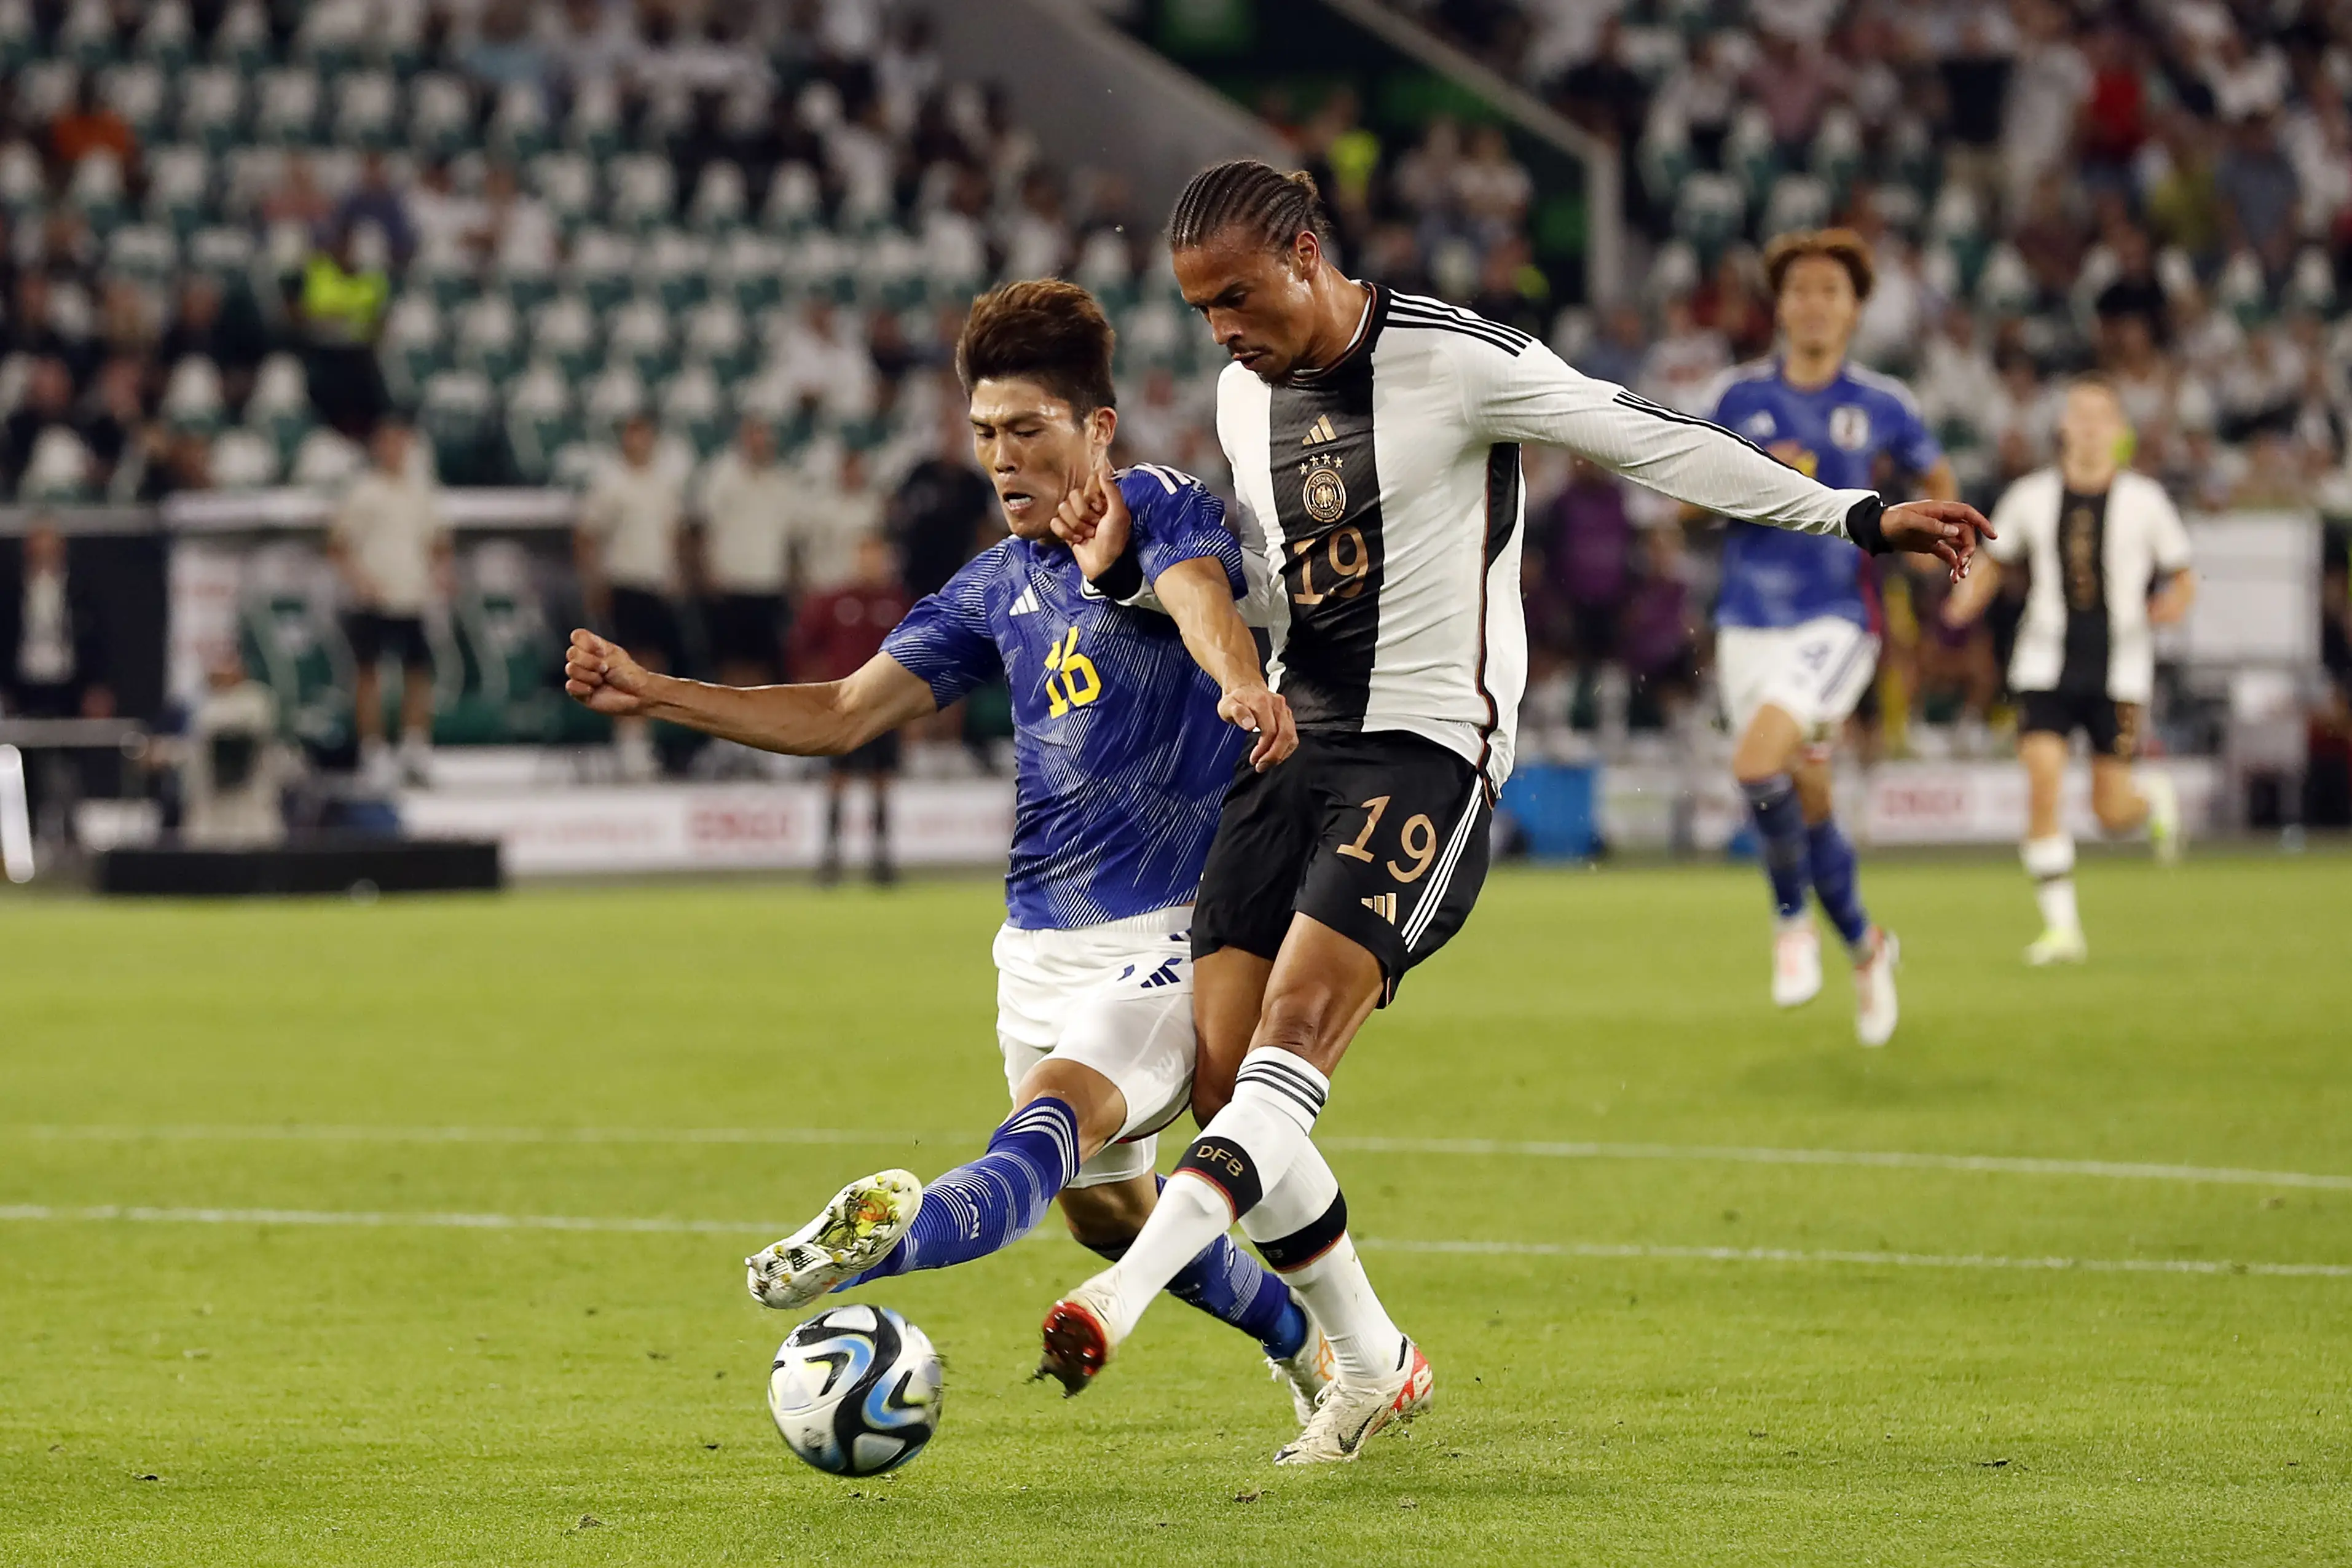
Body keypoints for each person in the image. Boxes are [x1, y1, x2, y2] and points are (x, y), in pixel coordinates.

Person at [1037, 161, 1991, 1460]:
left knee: (1297, 1035)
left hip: (1424, 754)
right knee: (1223, 1086)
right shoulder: (1239, 394)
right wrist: (1135, 584)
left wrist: (1854, 514)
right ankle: (1371, 1359)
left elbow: (1648, 433)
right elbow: (1276, 591)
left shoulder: (1455, 360)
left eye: (1238, 297)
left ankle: (1116, 1296)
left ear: (1307, 254)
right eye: (1200, 309)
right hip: (1289, 753)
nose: (1222, 331)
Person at [562, 279, 1400, 1459]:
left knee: (1041, 1133)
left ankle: (894, 1231)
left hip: (1176, 932)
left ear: (1096, 427)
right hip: (1035, 951)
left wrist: (1234, 680)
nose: (1001, 460)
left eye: (1026, 431)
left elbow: (1197, 596)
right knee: (1106, 1210)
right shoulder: (992, 586)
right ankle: (1310, 1346)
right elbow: (845, 711)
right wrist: (655, 691)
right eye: (982, 436)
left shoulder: (1155, 505)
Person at [1701, 228, 1957, 1045]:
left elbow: (1934, 476)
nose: (1812, 304)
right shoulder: (1736, 399)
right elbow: (1681, 498)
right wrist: (1752, 470)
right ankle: (1866, 944)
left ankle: (1788, 927)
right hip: (1744, 620)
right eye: (1798, 290)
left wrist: (1943, 542)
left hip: (1835, 619)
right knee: (1804, 797)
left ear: (1853, 309)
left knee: (1753, 764)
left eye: (1829, 292)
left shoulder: (1882, 403)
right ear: (1777, 306)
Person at [1943, 378, 2195, 964]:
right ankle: (2062, 930)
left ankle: (2150, 798)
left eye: (2098, 415)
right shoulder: (2030, 496)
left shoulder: (2145, 501)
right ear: (2061, 427)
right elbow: (1995, 562)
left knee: (2111, 814)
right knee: (2043, 782)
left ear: (2117, 431)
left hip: (2120, 668)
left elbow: (2182, 575)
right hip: (2044, 663)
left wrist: (2173, 605)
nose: (2086, 425)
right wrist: (1965, 599)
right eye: (2076, 414)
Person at [329, 420, 449, 790]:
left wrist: (439, 573)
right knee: (369, 676)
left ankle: (414, 750)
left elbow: (438, 540)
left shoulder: (420, 492)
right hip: (374, 600)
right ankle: (374, 752)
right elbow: (338, 544)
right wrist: (360, 581)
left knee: (418, 675)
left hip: (411, 596)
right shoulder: (363, 493)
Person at [787, 535, 911, 885]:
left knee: (881, 782)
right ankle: (831, 857)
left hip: (885, 708)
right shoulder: (834, 601)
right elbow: (803, 646)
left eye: (878, 558)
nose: (872, 565)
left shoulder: (898, 602)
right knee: (837, 780)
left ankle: (882, 859)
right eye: (867, 557)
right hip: (844, 708)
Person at [576, 412, 688, 780]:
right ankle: (628, 744)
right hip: (623, 582)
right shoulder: (611, 483)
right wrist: (594, 582)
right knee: (622, 664)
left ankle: (646, 738)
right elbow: (588, 534)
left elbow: (673, 533)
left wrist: (675, 572)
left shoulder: (663, 484)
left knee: (652, 665)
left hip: (656, 583)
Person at [696, 415, 796, 689]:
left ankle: (755, 727)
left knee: (763, 660)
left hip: (768, 583)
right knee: (730, 659)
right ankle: (726, 727)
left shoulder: (783, 483)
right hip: (730, 582)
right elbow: (704, 527)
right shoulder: (721, 477)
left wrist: (791, 580)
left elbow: (790, 538)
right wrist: (706, 571)